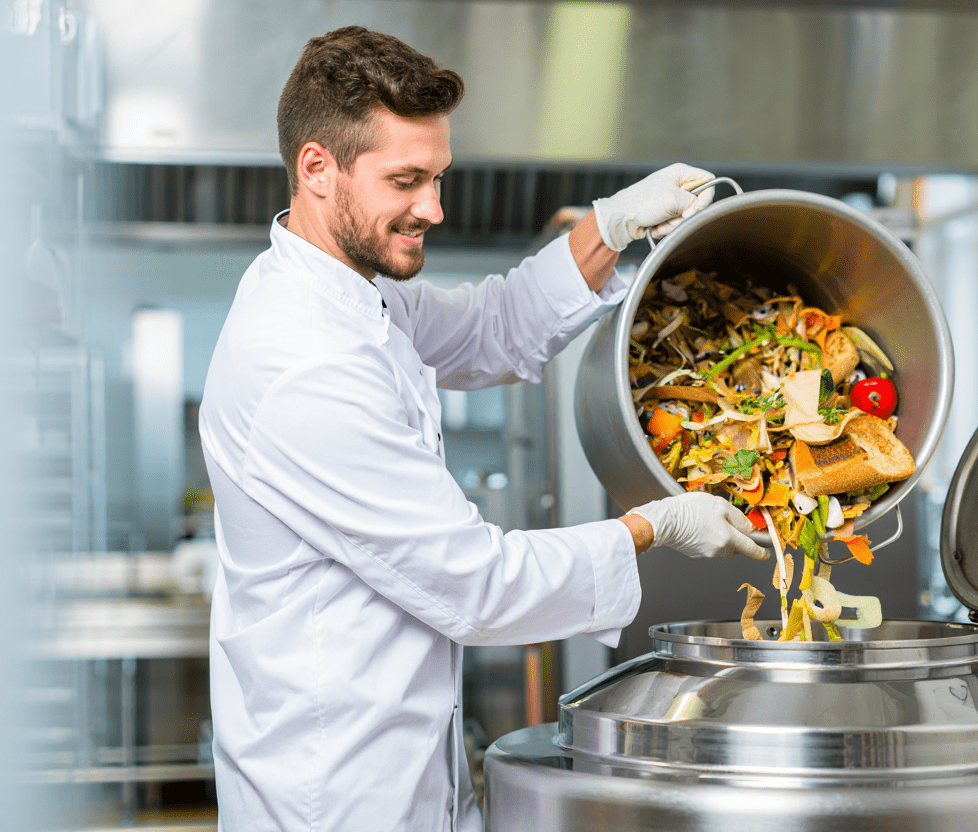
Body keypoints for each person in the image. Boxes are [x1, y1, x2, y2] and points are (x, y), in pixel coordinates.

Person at [198, 25, 767, 832]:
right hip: (335, 798)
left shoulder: (355, 293)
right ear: (317, 168)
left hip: (404, 768)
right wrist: (655, 525)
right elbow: (477, 586)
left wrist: (612, 224)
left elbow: (494, 327)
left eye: (438, 177)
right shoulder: (302, 362)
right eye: (406, 181)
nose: (433, 208)